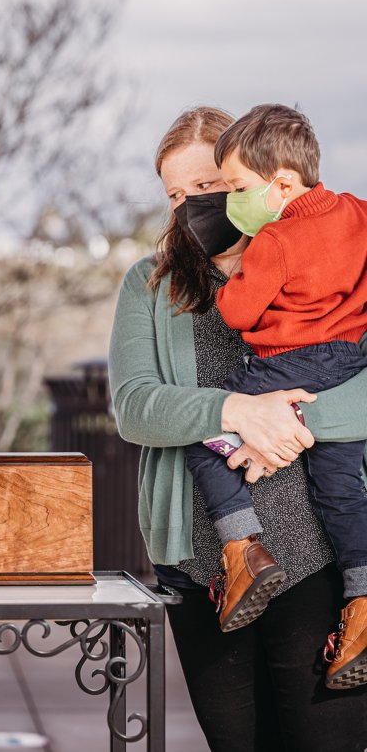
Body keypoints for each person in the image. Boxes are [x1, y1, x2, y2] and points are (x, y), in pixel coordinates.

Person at [108, 106, 367, 752]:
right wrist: (234, 413)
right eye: (173, 195)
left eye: (203, 189)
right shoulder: (149, 284)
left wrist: (296, 421)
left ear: (241, 180)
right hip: (204, 569)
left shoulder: (319, 266)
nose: (188, 207)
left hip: (316, 555)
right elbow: (135, 404)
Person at [181, 104, 367, 691]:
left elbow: (237, 311)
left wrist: (245, 262)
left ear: (282, 184)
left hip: (284, 363)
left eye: (235, 188)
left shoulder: (277, 238)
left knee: (205, 438)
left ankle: (242, 552)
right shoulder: (359, 213)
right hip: (350, 359)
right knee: (341, 488)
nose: (231, 201)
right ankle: (362, 605)